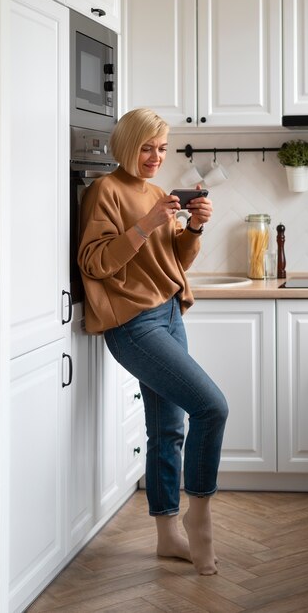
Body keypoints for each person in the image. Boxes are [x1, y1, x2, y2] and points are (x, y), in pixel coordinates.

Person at [77, 107, 228, 575]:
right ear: (126, 145)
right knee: (211, 407)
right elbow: (95, 262)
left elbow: (174, 259)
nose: (155, 157)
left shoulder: (160, 193)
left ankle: (167, 536)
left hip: (167, 312)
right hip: (132, 326)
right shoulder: (106, 191)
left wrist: (195, 226)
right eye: (147, 148)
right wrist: (144, 223)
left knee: (169, 427)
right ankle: (198, 515)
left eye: (161, 149)